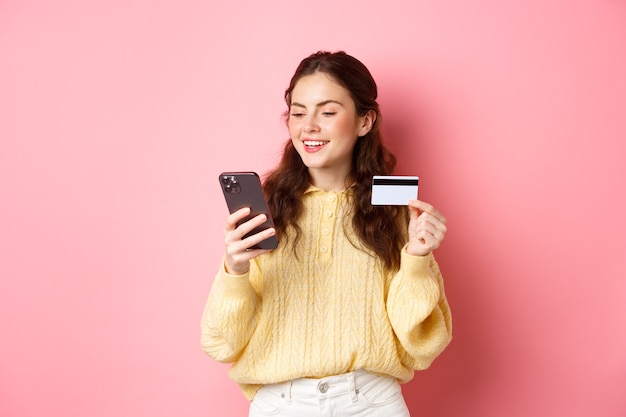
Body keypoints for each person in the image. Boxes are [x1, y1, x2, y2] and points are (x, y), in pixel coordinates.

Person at [201, 51, 452, 417]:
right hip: (280, 405)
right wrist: (235, 271)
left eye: (328, 112)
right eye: (298, 113)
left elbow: (424, 342)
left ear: (365, 121)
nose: (308, 126)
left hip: (371, 403)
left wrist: (416, 260)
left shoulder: (395, 207)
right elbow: (221, 343)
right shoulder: (265, 209)